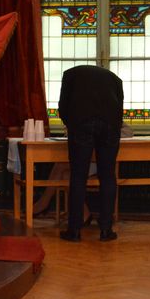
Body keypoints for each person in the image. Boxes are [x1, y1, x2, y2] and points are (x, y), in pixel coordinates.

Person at [57, 64, 123, 242]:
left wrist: (72, 125)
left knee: (78, 176)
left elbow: (63, 107)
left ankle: (74, 231)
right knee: (107, 176)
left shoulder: (70, 75)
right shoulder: (115, 79)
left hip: (81, 122)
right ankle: (106, 230)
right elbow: (119, 110)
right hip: (110, 125)